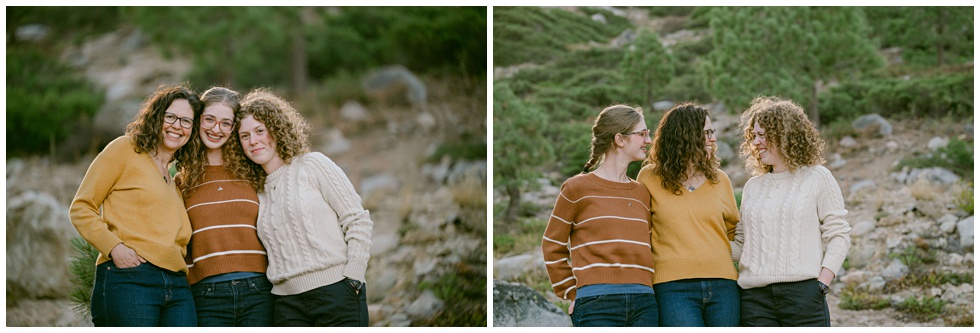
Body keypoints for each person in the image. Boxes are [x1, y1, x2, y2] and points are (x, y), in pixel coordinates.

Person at [235, 88, 373, 327]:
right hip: (287, 306)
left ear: (276, 130)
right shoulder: (254, 190)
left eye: (259, 131)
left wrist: (354, 276)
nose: (253, 141)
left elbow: (357, 220)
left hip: (337, 293)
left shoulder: (313, 165)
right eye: (244, 136)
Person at [69, 83, 201, 326]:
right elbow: (81, 207)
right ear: (156, 117)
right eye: (170, 117)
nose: (177, 126)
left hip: (177, 286)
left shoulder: (175, 178)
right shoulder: (125, 149)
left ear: (192, 130)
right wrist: (114, 248)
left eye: (186, 121)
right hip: (130, 278)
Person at [733, 96, 851, 327]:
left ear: (785, 134)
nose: (756, 142)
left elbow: (839, 234)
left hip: (804, 295)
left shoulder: (817, 177)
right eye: (754, 135)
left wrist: (823, 282)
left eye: (763, 135)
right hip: (755, 301)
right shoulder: (753, 187)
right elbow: (741, 245)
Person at [541, 104, 658, 327]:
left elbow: (650, 246)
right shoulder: (577, 188)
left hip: (645, 304)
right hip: (596, 304)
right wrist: (570, 291)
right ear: (620, 139)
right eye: (642, 134)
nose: (648, 140)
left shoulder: (643, 193)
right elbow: (551, 244)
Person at [174, 87, 273, 326]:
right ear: (198, 121)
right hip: (206, 295)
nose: (216, 129)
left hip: (259, 291)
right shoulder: (181, 181)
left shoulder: (254, 172)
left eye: (226, 123)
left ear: (234, 128)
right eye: (209, 119)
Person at [636, 103, 741, 327]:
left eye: (712, 132)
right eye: (706, 133)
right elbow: (639, 231)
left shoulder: (720, 180)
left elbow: (733, 230)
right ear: (685, 135)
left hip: (724, 286)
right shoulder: (649, 177)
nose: (713, 138)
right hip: (673, 287)